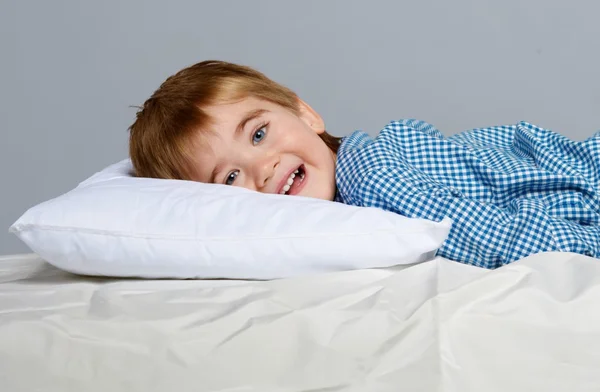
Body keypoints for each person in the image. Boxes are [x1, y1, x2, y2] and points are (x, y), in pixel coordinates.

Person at [129, 60, 600, 268]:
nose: (263, 167)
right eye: (230, 177)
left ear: (306, 114)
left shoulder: (370, 179)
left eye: (258, 133)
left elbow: (497, 238)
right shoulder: (344, 215)